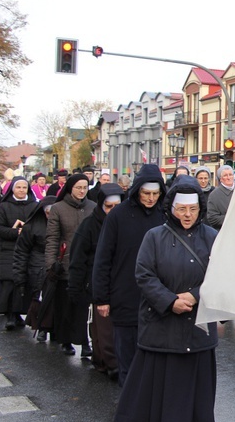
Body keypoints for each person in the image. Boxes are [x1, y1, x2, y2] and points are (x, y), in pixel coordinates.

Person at [113, 175, 221, 422]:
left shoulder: (211, 236)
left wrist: (195, 295)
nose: (187, 215)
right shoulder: (154, 236)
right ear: (171, 208)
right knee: (161, 384)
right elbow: (144, 274)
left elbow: (221, 275)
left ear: (201, 209)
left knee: (200, 387)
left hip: (198, 322)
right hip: (162, 321)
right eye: (182, 209)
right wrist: (169, 301)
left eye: (193, 209)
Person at [93, 163, 167, 387]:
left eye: (155, 194)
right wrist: (102, 297)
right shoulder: (118, 215)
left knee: (153, 359)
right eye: (146, 193)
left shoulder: (164, 215)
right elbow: (103, 257)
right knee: (127, 358)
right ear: (136, 191)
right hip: (124, 294)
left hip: (157, 297)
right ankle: (128, 410)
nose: (151, 198)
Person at [68, 183, 125, 379]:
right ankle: (110, 363)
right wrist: (75, 289)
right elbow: (77, 260)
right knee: (102, 329)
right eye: (109, 207)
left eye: (117, 207)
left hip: (119, 283)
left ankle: (103, 361)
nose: (113, 211)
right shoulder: (89, 226)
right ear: (101, 205)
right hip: (95, 284)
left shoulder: (124, 224)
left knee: (111, 327)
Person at [44, 173, 96, 356]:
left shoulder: (93, 207)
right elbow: (52, 238)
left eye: (85, 187)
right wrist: (51, 264)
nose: (82, 191)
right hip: (65, 264)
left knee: (85, 307)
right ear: (70, 188)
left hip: (88, 265)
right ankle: (66, 339)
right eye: (78, 187)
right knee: (65, 306)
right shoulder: (58, 208)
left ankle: (85, 342)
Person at [13, 195, 56, 341]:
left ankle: (53, 329)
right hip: (37, 267)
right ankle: (42, 326)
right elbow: (21, 251)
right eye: (48, 213)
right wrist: (20, 276)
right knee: (40, 298)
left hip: (56, 265)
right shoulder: (32, 226)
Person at [0, 176, 38, 329]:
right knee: (10, 283)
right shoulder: (4, 206)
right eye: (18, 187)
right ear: (12, 189)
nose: (21, 190)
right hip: (8, 249)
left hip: (29, 249)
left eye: (24, 187)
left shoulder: (34, 205)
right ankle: (9, 315)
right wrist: (16, 232)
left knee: (25, 283)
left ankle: (19, 314)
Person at [206, 165, 234, 230]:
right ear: (220, 179)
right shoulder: (214, 195)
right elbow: (212, 218)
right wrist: (232, 218)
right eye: (225, 175)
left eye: (230, 174)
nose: (228, 177)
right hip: (224, 232)